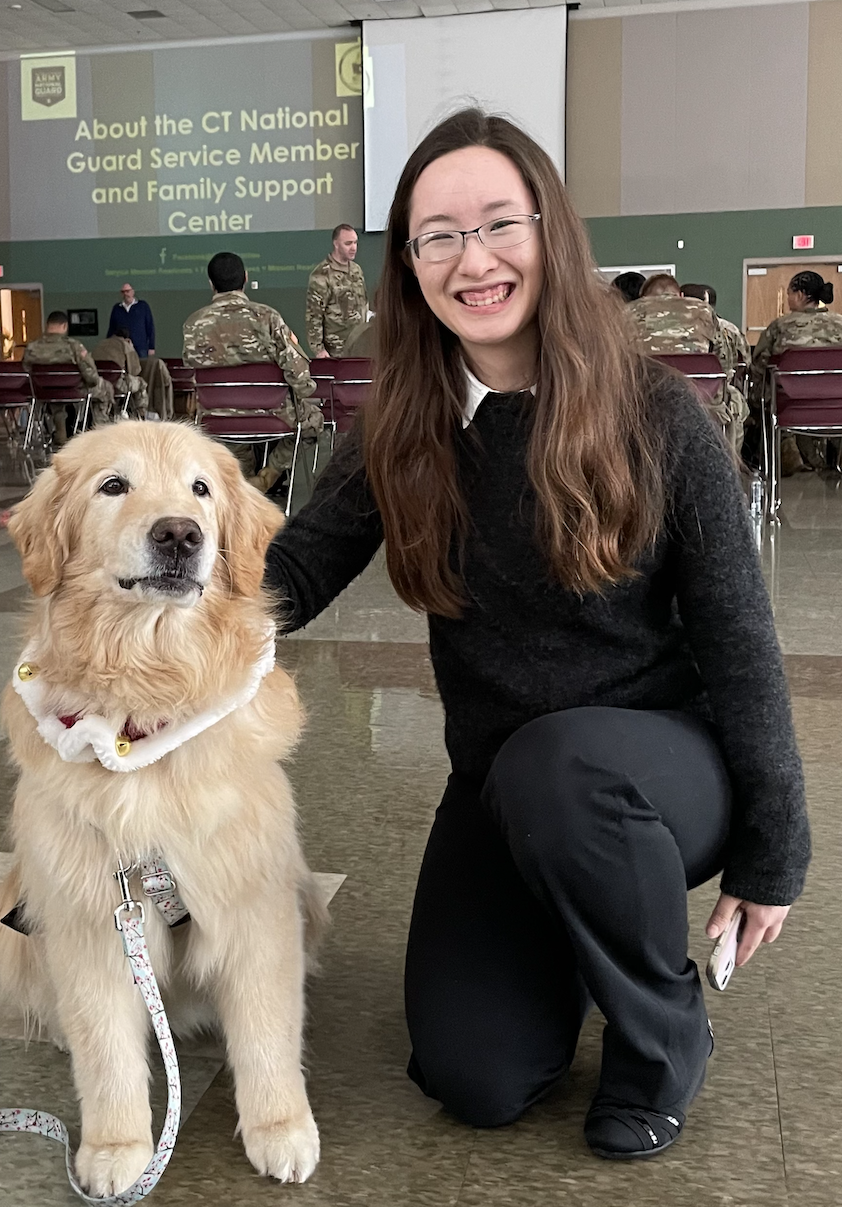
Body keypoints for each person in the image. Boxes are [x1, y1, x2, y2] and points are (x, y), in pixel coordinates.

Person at [263, 109, 809, 1160]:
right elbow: (290, 576)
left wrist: (774, 851)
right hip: (504, 783)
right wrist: (136, 605)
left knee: (562, 770)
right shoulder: (401, 421)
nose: (473, 259)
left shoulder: (656, 413)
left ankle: (662, 1038)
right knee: (471, 1074)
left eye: (499, 223)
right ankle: (572, 924)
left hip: (661, 774)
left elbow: (743, 641)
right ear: (408, 261)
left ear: (551, 232)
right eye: (438, 235)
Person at [182, 252, 322, 493]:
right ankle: (267, 477)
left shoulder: (193, 324)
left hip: (216, 418)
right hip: (271, 414)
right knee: (314, 421)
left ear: (211, 284)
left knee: (232, 439)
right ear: (245, 278)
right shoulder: (267, 317)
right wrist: (304, 391)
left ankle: (242, 481)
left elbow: (192, 373)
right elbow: (301, 380)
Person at [750, 271, 842, 474]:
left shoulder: (780, 327)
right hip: (837, 405)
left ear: (800, 295)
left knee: (766, 395)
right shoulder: (840, 324)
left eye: (789, 293)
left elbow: (759, 367)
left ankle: (784, 453)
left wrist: (756, 402)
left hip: (791, 406)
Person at [629, 274, 734, 432]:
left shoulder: (628, 312)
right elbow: (724, 364)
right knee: (734, 405)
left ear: (643, 298)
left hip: (642, 407)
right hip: (701, 405)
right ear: (681, 296)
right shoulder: (703, 310)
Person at [24, 311, 114, 447]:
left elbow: (26, 371)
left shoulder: (32, 347)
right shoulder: (74, 346)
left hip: (44, 392)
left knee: (56, 397)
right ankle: (100, 434)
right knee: (105, 388)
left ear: (47, 325)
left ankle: (60, 430)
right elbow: (91, 376)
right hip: (73, 391)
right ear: (65, 326)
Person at [680, 283, 750, 454]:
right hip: (715, 398)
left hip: (677, 393)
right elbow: (744, 364)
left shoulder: (671, 330)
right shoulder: (730, 329)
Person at [306, 224, 368, 358]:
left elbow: (364, 303)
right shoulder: (321, 275)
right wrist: (319, 350)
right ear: (336, 244)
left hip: (360, 345)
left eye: (355, 243)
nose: (353, 248)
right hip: (336, 350)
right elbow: (314, 316)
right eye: (348, 243)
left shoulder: (357, 270)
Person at [91, 327, 149, 418]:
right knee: (141, 383)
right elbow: (135, 370)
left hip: (99, 385)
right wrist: (132, 348)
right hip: (117, 384)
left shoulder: (99, 344)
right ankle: (141, 415)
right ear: (126, 338)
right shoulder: (125, 345)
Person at [106, 283, 156, 361]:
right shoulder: (116, 308)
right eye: (123, 292)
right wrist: (108, 345)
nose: (126, 294)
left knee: (142, 369)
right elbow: (112, 329)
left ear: (133, 292)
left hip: (140, 347)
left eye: (128, 291)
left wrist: (151, 347)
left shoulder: (143, 306)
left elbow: (150, 327)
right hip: (121, 347)